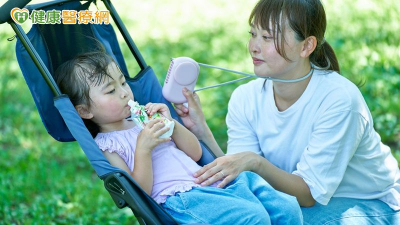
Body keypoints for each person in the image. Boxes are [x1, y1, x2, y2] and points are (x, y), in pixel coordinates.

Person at [174, 0, 400, 224]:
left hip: (371, 203)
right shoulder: (245, 98)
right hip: (292, 200)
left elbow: (308, 194)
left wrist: (255, 162)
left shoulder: (339, 100)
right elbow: (244, 178)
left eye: (268, 37)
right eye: (253, 33)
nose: (254, 46)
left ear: (306, 46)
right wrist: (202, 132)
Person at [54, 51, 302, 224]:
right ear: (85, 111)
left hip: (206, 180)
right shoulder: (107, 145)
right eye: (110, 90)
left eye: (123, 82)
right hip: (182, 201)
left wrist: (172, 124)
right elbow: (139, 194)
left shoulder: (143, 120)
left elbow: (195, 153)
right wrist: (143, 148)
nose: (124, 93)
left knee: (286, 207)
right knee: (252, 218)